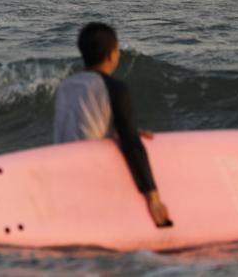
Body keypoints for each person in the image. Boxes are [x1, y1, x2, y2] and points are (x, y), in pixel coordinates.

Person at [54, 23, 172, 228]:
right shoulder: (114, 88)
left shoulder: (66, 86)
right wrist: (153, 197)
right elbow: (132, 143)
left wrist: (114, 133)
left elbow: (80, 123)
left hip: (62, 173)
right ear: (112, 54)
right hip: (93, 177)